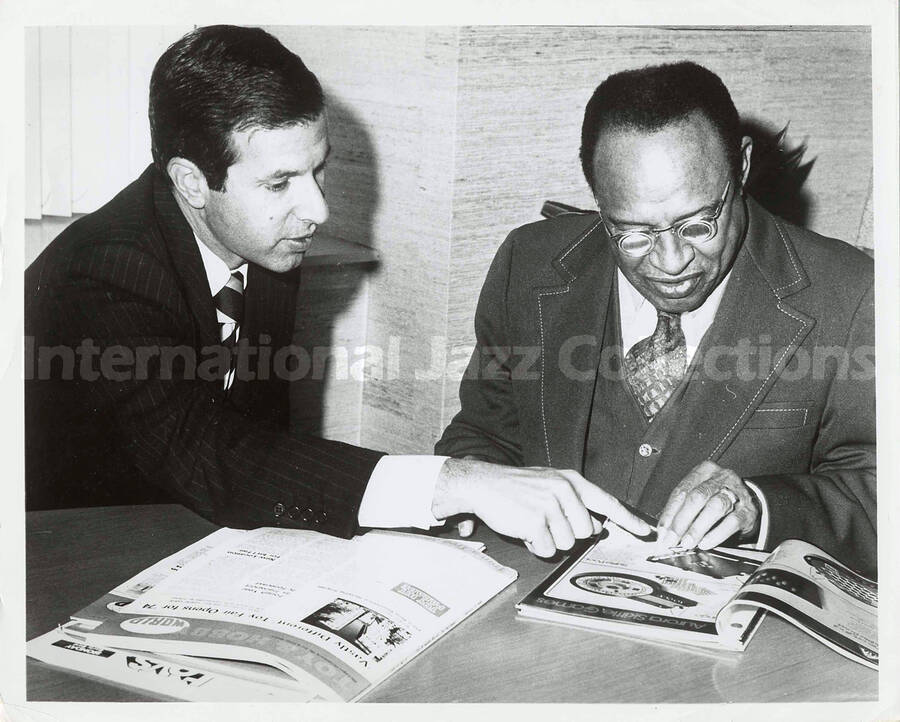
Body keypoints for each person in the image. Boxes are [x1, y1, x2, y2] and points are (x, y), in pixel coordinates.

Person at [25, 25, 651, 556]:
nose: (318, 210)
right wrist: (449, 484)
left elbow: (263, 447)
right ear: (191, 181)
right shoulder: (101, 278)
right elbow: (212, 454)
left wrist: (411, 512)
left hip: (195, 541)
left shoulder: (264, 242)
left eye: (318, 170)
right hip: (63, 555)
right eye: (280, 183)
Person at [435, 61, 876, 576]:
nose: (670, 262)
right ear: (598, 197)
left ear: (743, 167)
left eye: (698, 224)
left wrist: (758, 504)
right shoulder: (528, 264)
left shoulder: (851, 293)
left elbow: (877, 490)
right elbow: (485, 434)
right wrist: (470, 489)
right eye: (632, 233)